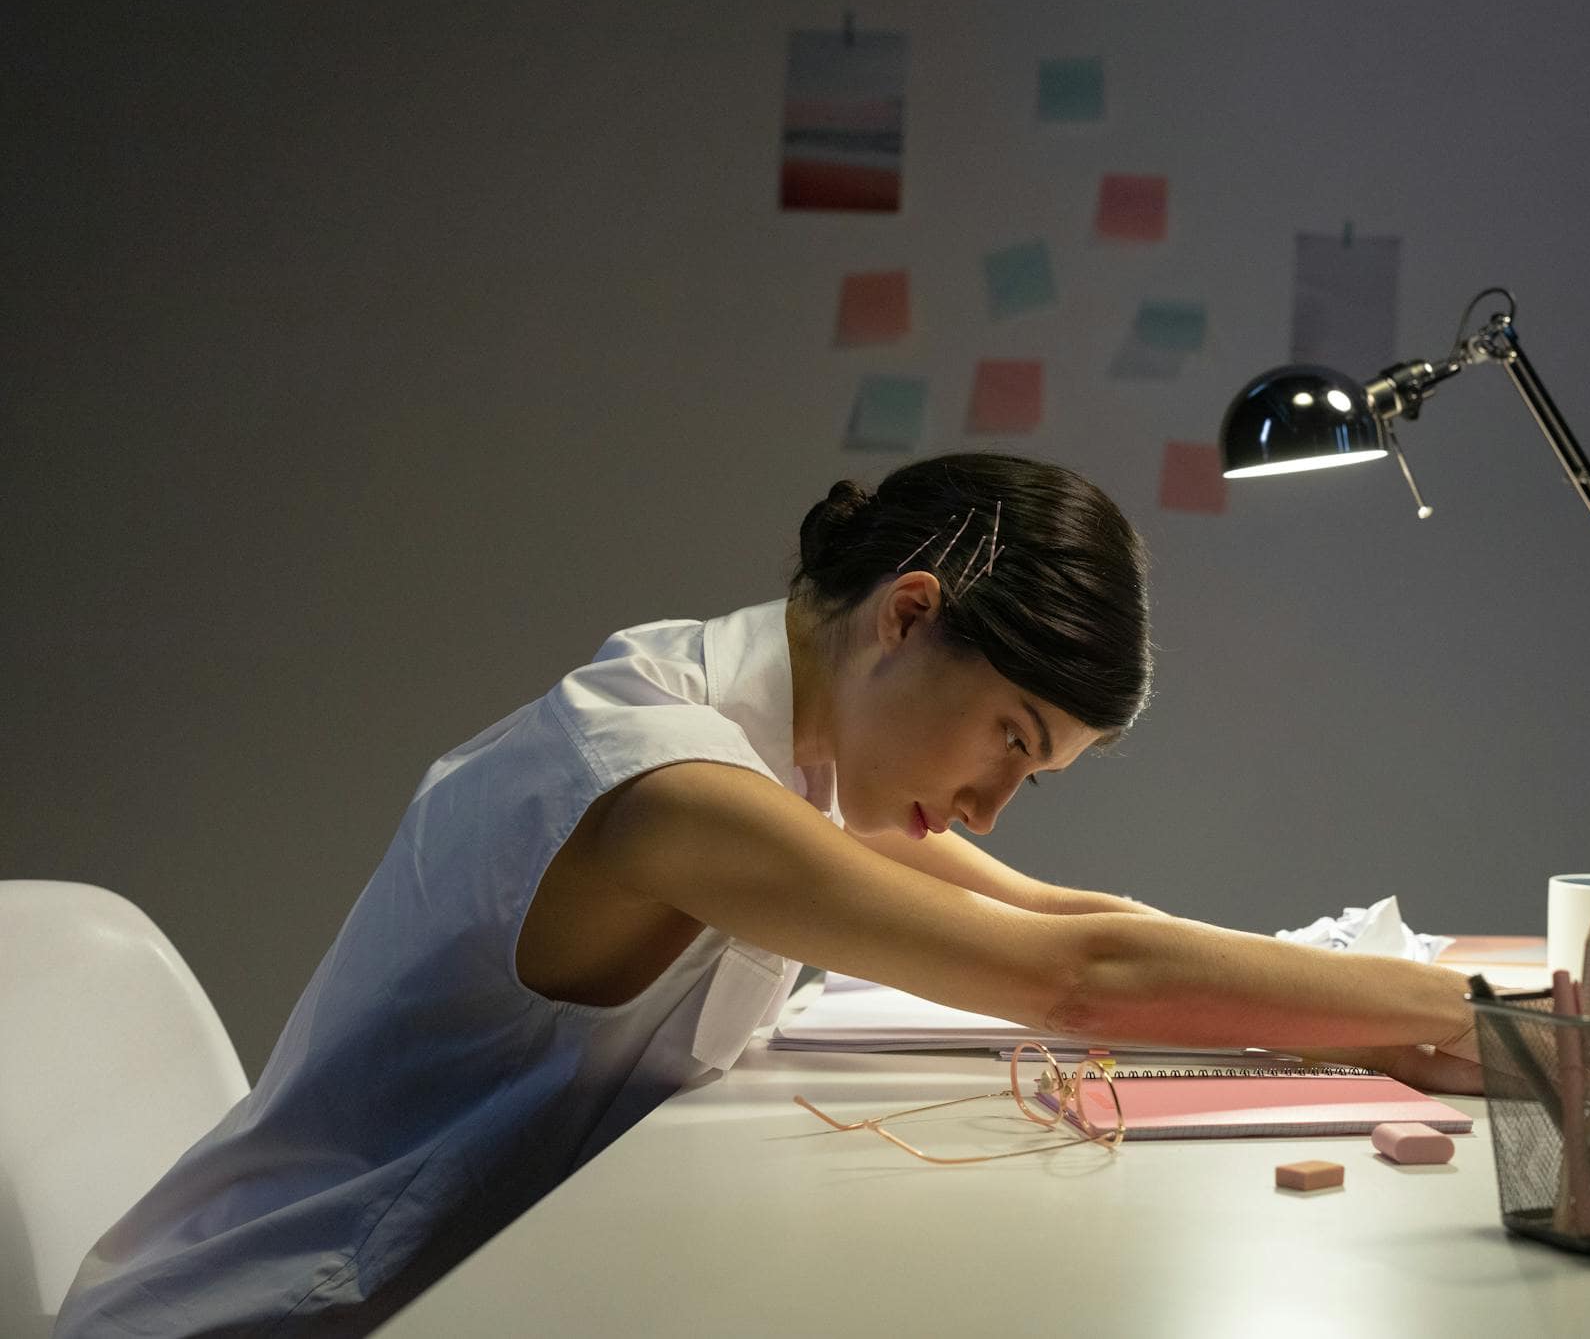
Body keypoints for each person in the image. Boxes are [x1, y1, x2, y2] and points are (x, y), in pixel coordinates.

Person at [55, 450, 1492, 1336]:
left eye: (1031, 773)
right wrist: (1481, 1014)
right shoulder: (667, 781)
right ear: (911, 613)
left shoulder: (780, 740)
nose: (991, 802)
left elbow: (1060, 917)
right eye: (1010, 740)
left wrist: (1413, 1011)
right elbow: (1076, 978)